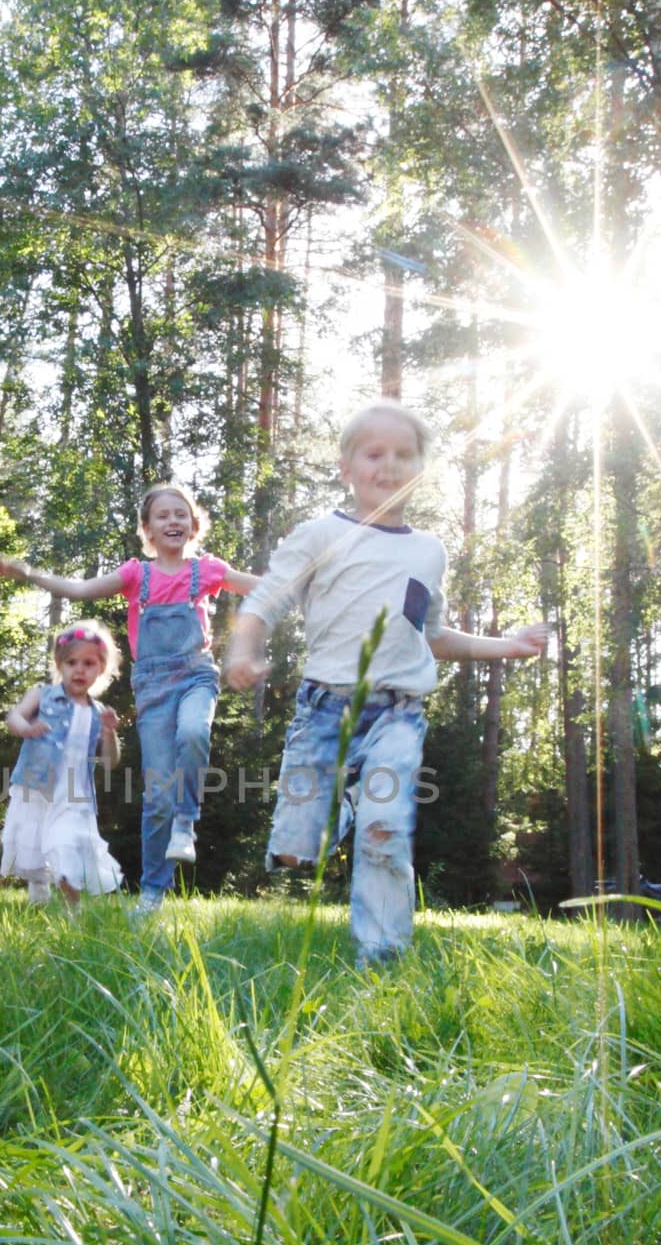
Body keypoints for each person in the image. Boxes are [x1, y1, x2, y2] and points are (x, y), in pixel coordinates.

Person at [225, 400, 549, 967]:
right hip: (324, 711)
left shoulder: (427, 551)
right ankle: (339, 812)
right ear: (347, 467)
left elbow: (433, 636)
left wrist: (509, 646)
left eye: (404, 455)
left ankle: (381, 957)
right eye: (375, 454)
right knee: (299, 850)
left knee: (385, 832)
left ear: (422, 468)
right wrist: (243, 649)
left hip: (398, 714)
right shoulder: (320, 535)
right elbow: (264, 601)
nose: (390, 467)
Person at [0, 484, 258, 912]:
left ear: (193, 524)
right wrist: (31, 575)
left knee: (193, 732)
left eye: (180, 514)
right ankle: (153, 891)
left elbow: (260, 586)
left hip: (195, 677)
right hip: (152, 688)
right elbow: (79, 590)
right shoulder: (137, 575)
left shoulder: (206, 570)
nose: (173, 521)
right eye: (163, 516)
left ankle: (186, 822)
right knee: (156, 799)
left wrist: (315, 574)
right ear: (148, 530)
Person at [0, 620, 123, 909]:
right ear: (60, 665)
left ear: (101, 669)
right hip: (36, 784)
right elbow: (14, 717)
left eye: (89, 663)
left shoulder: (98, 713)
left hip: (74, 794)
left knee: (67, 845)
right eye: (71, 662)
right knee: (32, 841)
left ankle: (74, 909)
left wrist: (110, 732)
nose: (79, 669)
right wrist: (26, 728)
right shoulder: (42, 695)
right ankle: (38, 890)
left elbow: (110, 762)